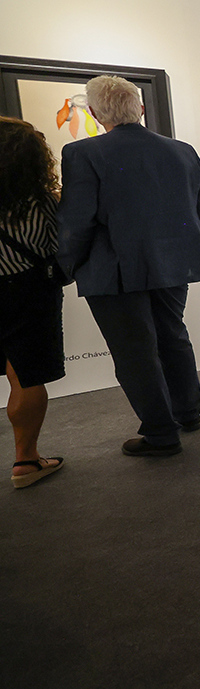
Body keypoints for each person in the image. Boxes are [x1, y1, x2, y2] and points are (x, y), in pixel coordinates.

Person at [56, 76, 200, 458]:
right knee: (172, 336)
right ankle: (188, 412)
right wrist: (187, 250)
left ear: (94, 113)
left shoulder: (82, 153)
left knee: (134, 352)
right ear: (140, 109)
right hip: (172, 263)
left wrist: (65, 266)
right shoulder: (182, 151)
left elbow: (77, 221)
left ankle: (161, 433)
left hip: (113, 268)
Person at [0, 118, 66, 487]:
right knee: (25, 376)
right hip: (28, 292)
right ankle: (25, 460)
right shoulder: (42, 203)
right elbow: (59, 247)